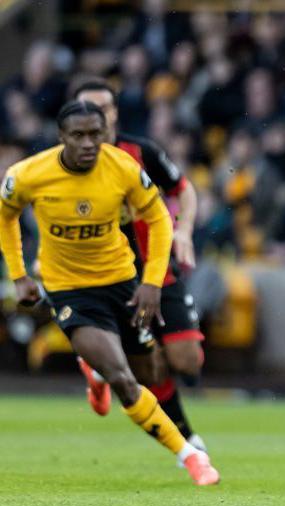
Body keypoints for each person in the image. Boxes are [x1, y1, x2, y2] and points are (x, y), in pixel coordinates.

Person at [0, 100, 219, 485]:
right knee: (123, 377)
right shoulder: (28, 175)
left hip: (122, 282)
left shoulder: (123, 168)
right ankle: (190, 455)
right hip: (69, 290)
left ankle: (95, 372)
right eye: (78, 136)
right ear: (61, 137)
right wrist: (19, 275)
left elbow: (158, 217)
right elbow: (6, 216)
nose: (88, 143)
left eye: (95, 135)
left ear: (106, 134)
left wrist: (151, 282)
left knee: (149, 370)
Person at [72, 79, 208, 459]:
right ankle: (185, 437)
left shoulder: (140, 151)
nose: (95, 116)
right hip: (114, 277)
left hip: (159, 268)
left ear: (115, 113)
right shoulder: (67, 163)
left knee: (187, 361)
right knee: (147, 367)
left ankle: (99, 367)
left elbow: (183, 188)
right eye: (86, 108)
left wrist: (183, 229)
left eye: (102, 108)